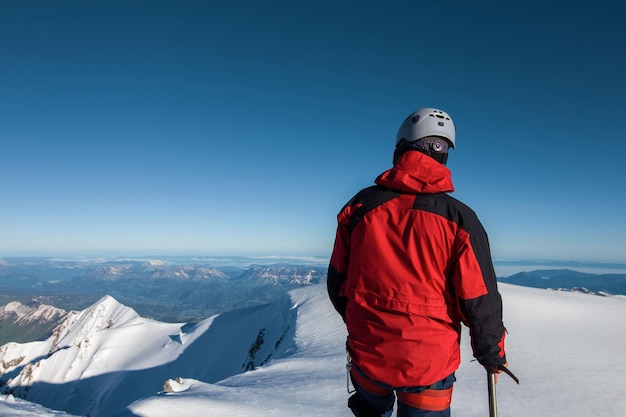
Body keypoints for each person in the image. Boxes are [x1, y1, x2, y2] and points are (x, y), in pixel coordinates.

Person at [327, 108, 508, 417]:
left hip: (368, 351)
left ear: (400, 149)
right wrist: (492, 353)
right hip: (428, 363)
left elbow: (338, 281)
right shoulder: (460, 219)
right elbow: (479, 300)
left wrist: (363, 322)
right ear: (444, 156)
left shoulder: (360, 206)